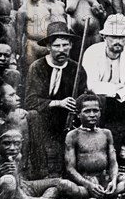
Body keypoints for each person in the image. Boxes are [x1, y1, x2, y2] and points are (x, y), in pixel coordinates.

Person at [82, 14, 125, 169]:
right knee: (99, 98)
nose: (118, 41)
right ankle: (99, 152)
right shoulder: (92, 53)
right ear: (104, 37)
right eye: (113, 37)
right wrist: (115, 88)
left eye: (122, 37)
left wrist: (121, 91)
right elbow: (91, 85)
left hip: (121, 102)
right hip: (99, 103)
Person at [64, 93, 125, 199]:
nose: (92, 115)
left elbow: (113, 163)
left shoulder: (106, 133)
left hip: (105, 179)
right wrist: (88, 184)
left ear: (100, 112)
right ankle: (100, 195)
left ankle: (104, 194)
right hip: (84, 182)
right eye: (87, 111)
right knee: (65, 185)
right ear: (78, 114)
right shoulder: (73, 135)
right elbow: (70, 169)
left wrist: (113, 180)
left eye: (95, 111)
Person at [26, 22, 85, 179]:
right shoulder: (37, 67)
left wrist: (78, 106)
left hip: (67, 120)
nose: (61, 50)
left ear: (71, 46)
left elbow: (82, 95)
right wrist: (59, 103)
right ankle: (40, 172)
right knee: (32, 115)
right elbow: (31, 101)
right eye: (57, 46)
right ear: (48, 47)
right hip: (44, 120)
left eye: (65, 45)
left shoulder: (77, 69)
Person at [0, 128, 65, 199]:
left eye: (17, 143)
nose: (13, 148)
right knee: (8, 181)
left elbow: (17, 193)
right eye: (6, 143)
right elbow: (8, 186)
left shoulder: (16, 157)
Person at [15, 0, 51, 76]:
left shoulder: (47, 8)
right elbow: (19, 36)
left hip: (46, 47)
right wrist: (19, 54)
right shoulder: (23, 11)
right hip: (32, 48)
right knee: (31, 75)